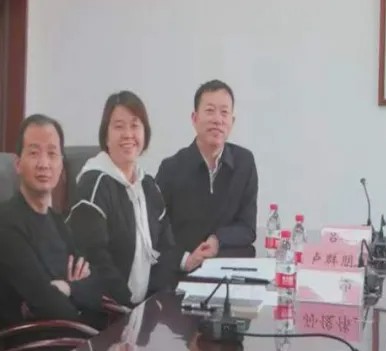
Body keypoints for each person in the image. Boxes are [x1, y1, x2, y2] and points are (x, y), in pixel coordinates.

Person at [68, 91, 193, 307]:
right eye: (119, 126)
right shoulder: (93, 185)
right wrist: (129, 308)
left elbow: (166, 248)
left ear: (145, 133)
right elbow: (95, 259)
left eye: (135, 126)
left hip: (145, 310)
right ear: (106, 136)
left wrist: (154, 302)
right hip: (107, 312)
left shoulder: (148, 186)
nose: (128, 134)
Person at [0, 115, 106, 328]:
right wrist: (81, 307)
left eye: (52, 154)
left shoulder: (58, 222)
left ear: (61, 166)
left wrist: (66, 288)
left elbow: (95, 286)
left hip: (73, 335)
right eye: (34, 153)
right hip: (33, 343)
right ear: (18, 164)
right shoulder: (6, 222)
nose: (44, 164)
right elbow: (45, 302)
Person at [157, 80, 259, 262]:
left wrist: (218, 240)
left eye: (224, 112)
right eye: (210, 111)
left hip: (230, 266)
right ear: (194, 119)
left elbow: (248, 228)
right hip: (186, 268)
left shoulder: (244, 162)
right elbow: (157, 231)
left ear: (232, 121)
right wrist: (184, 260)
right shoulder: (171, 168)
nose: (218, 120)